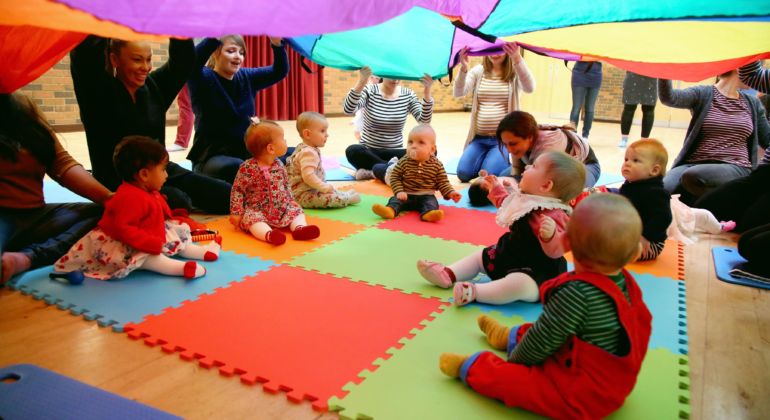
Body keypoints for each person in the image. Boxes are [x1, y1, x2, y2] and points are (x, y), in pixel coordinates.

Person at [438, 193, 652, 420]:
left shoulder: (575, 294)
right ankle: (507, 336)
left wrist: (516, 364)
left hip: (583, 396)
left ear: (566, 242)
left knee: (519, 383)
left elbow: (542, 340)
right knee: (553, 327)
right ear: (635, 254)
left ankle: (472, 367)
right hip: (615, 379)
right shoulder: (628, 283)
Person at [69, 35, 232, 214]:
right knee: (179, 200)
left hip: (161, 172)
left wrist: (177, 27)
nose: (145, 68)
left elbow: (183, 62)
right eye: (137, 60)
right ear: (114, 59)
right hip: (121, 181)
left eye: (148, 60)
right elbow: (85, 56)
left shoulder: (154, 87)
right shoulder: (97, 91)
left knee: (228, 196)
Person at [418, 151, 586, 307]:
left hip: (537, 269)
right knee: (480, 257)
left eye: (534, 166)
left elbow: (557, 250)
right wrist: (496, 189)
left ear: (545, 185)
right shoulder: (526, 198)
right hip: (508, 254)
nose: (526, 166)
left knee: (519, 284)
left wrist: (551, 237)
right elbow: (507, 205)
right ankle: (449, 274)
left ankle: (475, 292)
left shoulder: (557, 215)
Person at [55, 137, 220, 280]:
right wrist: (151, 244)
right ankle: (181, 269)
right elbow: (125, 229)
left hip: (150, 231)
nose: (166, 175)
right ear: (144, 175)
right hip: (128, 242)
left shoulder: (147, 190)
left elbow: (158, 211)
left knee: (178, 238)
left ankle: (203, 252)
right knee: (150, 259)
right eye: (163, 170)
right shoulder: (130, 198)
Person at [0, 92, 111, 283]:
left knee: (106, 215)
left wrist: (109, 198)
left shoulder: (22, 104)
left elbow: (60, 162)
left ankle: (27, 258)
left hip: (36, 216)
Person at [695, 61, 770, 280]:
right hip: (765, 173)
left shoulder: (750, 104)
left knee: (750, 243)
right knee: (706, 209)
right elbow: (751, 75)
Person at [186, 35, 290, 185]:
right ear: (215, 52)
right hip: (213, 157)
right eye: (231, 51)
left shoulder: (246, 77)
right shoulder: (204, 79)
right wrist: (214, 36)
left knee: (294, 154)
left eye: (241, 53)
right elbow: (191, 64)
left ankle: (261, 178)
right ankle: (263, 178)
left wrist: (276, 44)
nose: (238, 57)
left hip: (247, 153)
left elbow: (279, 71)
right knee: (238, 167)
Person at [659, 70, 770, 206]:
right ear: (738, 69)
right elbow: (669, 97)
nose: (754, 79)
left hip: (735, 166)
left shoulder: (753, 103)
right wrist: (665, 69)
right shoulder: (703, 93)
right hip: (694, 163)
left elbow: (767, 139)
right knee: (660, 189)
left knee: (692, 177)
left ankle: (727, 205)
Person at [453, 43, 536, 182]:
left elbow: (530, 88)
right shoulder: (479, 71)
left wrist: (517, 59)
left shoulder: (515, 73)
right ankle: (491, 162)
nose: (494, 54)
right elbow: (458, 92)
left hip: (501, 142)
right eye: (491, 50)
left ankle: (504, 162)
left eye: (499, 50)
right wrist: (463, 68)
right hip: (479, 138)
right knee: (463, 173)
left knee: (488, 176)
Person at [229, 121, 321, 246]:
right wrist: (236, 212)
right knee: (250, 219)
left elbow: (285, 184)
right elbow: (237, 190)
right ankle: (269, 235)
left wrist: (291, 199)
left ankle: (300, 228)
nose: (285, 141)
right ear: (270, 148)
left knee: (296, 210)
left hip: (282, 208)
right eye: (283, 139)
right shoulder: (247, 168)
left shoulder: (279, 164)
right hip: (257, 211)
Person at [343, 66, 434, 181]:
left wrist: (427, 92)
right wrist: (361, 82)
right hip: (370, 151)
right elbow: (348, 110)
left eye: (398, 76)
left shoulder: (408, 94)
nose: (395, 80)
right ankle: (396, 171)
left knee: (431, 152)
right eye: (391, 76)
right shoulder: (370, 91)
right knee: (353, 150)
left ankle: (376, 172)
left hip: (395, 154)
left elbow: (424, 122)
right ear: (382, 73)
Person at [371, 125, 461, 222]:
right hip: (406, 194)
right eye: (410, 142)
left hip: (426, 195)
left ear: (432, 150)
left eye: (421, 142)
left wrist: (450, 192)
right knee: (395, 200)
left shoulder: (437, 165)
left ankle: (428, 213)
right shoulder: (404, 161)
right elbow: (395, 177)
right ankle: (390, 210)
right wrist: (399, 191)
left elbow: (443, 182)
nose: (413, 146)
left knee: (432, 203)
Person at [498, 111, 601, 188]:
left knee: (575, 192)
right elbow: (517, 167)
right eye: (505, 144)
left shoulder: (549, 145)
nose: (509, 150)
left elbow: (541, 182)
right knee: (501, 180)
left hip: (586, 165)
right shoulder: (519, 140)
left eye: (513, 144)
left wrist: (515, 185)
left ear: (529, 137)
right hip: (542, 168)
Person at [287, 112, 361, 208]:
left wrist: (324, 187)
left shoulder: (305, 149)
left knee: (329, 189)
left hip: (311, 188)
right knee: (327, 199)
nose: (327, 135)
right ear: (307, 134)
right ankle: (346, 199)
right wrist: (323, 187)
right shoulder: (307, 153)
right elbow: (308, 176)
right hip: (300, 195)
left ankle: (342, 195)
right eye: (322, 131)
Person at [617, 139, 673, 260]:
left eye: (635, 160)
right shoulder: (630, 186)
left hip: (649, 243)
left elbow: (664, 218)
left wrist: (645, 237)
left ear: (654, 170)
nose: (627, 163)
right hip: (629, 234)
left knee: (607, 250)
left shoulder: (656, 193)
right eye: (626, 159)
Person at [168, 38, 205, 152]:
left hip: (191, 64)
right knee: (188, 103)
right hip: (196, 63)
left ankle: (182, 141)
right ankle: (184, 141)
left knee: (185, 103)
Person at [618, 72, 657, 147]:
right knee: (629, 108)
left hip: (652, 76)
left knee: (648, 110)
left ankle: (644, 140)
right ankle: (624, 138)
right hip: (633, 76)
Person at [570, 61, 603, 139]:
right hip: (580, 74)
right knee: (576, 108)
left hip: (596, 76)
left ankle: (585, 136)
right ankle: (573, 134)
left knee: (590, 109)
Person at [351, 74, 381, 141]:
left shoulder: (381, 88)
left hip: (375, 117)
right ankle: (363, 144)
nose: (374, 80)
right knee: (357, 133)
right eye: (372, 77)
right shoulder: (368, 87)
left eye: (377, 78)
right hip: (365, 113)